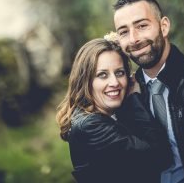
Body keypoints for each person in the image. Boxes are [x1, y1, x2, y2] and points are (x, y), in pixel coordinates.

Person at [113, 0, 184, 183]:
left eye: (142, 26)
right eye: (124, 31)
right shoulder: (125, 93)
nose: (133, 39)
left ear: (163, 26)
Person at [56, 38, 171, 183]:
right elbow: (160, 155)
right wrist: (134, 97)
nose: (114, 82)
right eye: (102, 75)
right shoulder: (91, 126)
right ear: (85, 80)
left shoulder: (111, 113)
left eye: (119, 73)